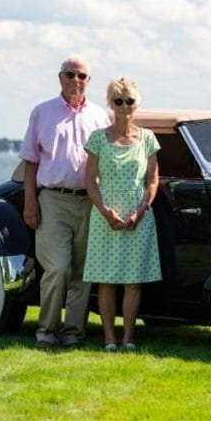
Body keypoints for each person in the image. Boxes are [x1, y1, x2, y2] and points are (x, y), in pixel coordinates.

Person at [19, 55, 110, 349]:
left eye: (82, 76)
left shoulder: (100, 116)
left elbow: (108, 161)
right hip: (53, 200)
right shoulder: (42, 113)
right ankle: (46, 332)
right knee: (57, 268)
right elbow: (30, 162)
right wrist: (30, 203)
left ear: (89, 81)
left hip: (89, 201)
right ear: (60, 78)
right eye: (70, 74)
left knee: (82, 273)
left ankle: (73, 333)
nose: (76, 80)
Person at [83, 77, 162, 352]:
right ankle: (108, 338)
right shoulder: (97, 139)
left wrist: (141, 211)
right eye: (119, 101)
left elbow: (152, 181)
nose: (124, 106)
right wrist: (106, 212)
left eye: (129, 101)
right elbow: (90, 181)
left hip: (138, 218)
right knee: (106, 281)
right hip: (105, 218)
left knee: (133, 283)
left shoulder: (148, 139)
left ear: (136, 103)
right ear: (111, 104)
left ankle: (128, 337)